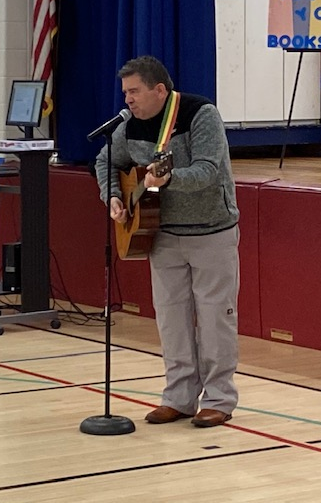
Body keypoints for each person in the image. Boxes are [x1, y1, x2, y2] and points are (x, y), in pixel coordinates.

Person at [95, 55, 240, 428]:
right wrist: (113, 195)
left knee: (214, 319)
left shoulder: (200, 114)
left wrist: (168, 180)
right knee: (171, 320)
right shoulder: (128, 126)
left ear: (160, 90)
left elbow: (209, 170)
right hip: (161, 234)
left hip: (211, 230)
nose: (127, 100)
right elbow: (105, 160)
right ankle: (178, 397)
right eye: (125, 92)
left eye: (134, 92)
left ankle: (220, 399)